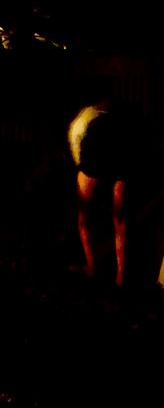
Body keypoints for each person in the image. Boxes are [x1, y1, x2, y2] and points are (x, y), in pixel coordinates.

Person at [67, 96, 155, 290]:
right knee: (93, 215)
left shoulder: (129, 134)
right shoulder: (83, 133)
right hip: (107, 142)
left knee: (116, 218)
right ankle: (101, 271)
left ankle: (118, 278)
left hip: (121, 142)